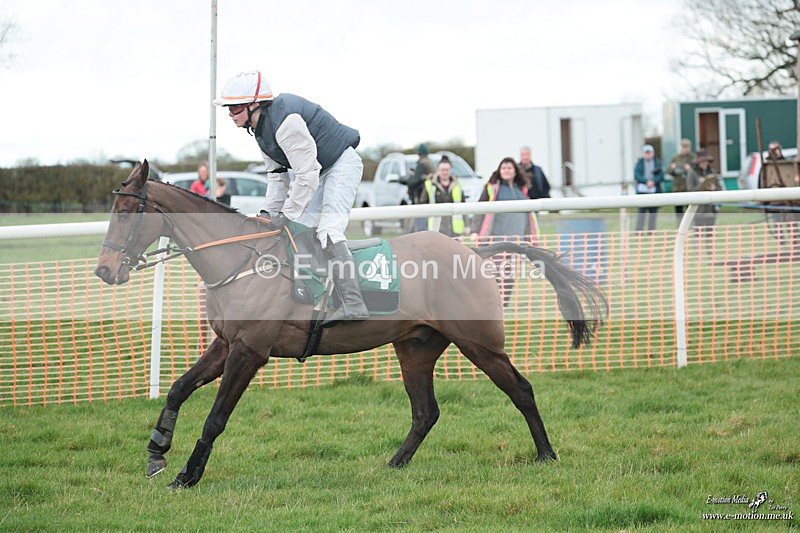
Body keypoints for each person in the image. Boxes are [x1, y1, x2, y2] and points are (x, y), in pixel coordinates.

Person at [213, 70, 368, 324]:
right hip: (320, 170)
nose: (231, 114)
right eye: (229, 109)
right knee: (302, 228)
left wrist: (286, 214)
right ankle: (318, 294)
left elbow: (307, 174)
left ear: (255, 104)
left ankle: (354, 303)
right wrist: (267, 214)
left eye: (235, 108)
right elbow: (277, 177)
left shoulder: (286, 123)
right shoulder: (259, 129)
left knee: (329, 230)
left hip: (341, 165)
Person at [470, 157, 540, 306]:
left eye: (509, 168)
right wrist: (475, 230)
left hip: (516, 240)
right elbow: (479, 209)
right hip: (496, 239)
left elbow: (528, 215)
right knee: (495, 272)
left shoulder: (522, 190)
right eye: (503, 168)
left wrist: (531, 236)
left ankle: (504, 304)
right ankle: (492, 303)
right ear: (499, 171)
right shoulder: (492, 188)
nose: (506, 170)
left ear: (515, 171)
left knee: (510, 274)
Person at [418, 156, 465, 237]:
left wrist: (467, 225)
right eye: (442, 170)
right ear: (438, 170)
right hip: (436, 228)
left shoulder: (458, 185)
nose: (444, 172)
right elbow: (423, 204)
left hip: (454, 228)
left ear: (451, 170)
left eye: (447, 170)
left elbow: (464, 205)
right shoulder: (430, 184)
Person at [687, 150, 724, 252]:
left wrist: (714, 188)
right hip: (698, 209)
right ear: (698, 162)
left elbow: (720, 189)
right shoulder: (692, 173)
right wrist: (701, 185)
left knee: (709, 232)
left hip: (711, 209)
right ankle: (697, 251)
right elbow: (690, 190)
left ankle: (709, 251)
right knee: (698, 231)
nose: (705, 163)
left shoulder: (712, 172)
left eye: (706, 161)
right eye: (702, 161)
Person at [633, 144, 664, 232]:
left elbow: (661, 175)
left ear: (653, 153)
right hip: (642, 192)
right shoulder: (639, 163)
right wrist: (646, 181)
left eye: (649, 152)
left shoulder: (657, 163)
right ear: (643, 154)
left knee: (653, 213)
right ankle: (639, 231)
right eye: (646, 153)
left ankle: (652, 231)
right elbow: (637, 175)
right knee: (641, 212)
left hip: (654, 191)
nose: (648, 154)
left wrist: (653, 181)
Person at [667, 139, 694, 222]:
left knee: (690, 211)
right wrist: (672, 168)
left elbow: (696, 172)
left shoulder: (693, 158)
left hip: (688, 188)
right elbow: (669, 171)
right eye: (683, 147)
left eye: (686, 147)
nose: (684, 149)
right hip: (677, 188)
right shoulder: (675, 158)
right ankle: (680, 229)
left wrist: (689, 169)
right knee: (679, 212)